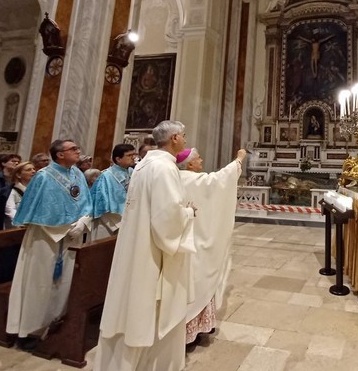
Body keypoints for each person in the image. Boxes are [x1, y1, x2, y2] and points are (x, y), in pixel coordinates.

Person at [95, 121, 246, 371]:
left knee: (136, 305)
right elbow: (167, 219)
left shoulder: (145, 165)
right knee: (151, 309)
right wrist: (187, 213)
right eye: (184, 136)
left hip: (139, 246)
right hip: (153, 253)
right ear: (174, 138)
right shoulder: (164, 169)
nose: (185, 140)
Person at [6, 139, 93, 348]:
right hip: (44, 239)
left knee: (63, 284)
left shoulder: (77, 174)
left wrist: (83, 222)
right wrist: (63, 228)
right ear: (59, 154)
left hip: (71, 237)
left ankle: (56, 322)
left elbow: (87, 202)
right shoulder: (43, 177)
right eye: (73, 148)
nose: (77, 150)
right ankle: (29, 330)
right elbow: (36, 210)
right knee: (39, 285)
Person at [176, 147, 242, 347]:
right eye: (198, 158)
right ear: (189, 164)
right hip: (195, 240)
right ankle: (191, 327)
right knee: (198, 280)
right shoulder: (192, 179)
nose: (202, 160)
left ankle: (192, 326)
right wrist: (239, 159)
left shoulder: (174, 178)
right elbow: (220, 180)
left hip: (185, 238)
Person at [90, 144, 136, 240]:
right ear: (118, 159)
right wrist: (122, 222)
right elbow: (100, 203)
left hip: (129, 221)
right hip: (109, 222)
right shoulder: (106, 176)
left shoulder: (133, 173)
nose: (133, 158)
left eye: (134, 155)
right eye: (129, 155)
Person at [4, 161, 36, 229]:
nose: (33, 171)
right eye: (28, 170)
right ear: (18, 175)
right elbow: (10, 210)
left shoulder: (37, 190)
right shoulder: (12, 191)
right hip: (16, 228)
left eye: (33, 169)